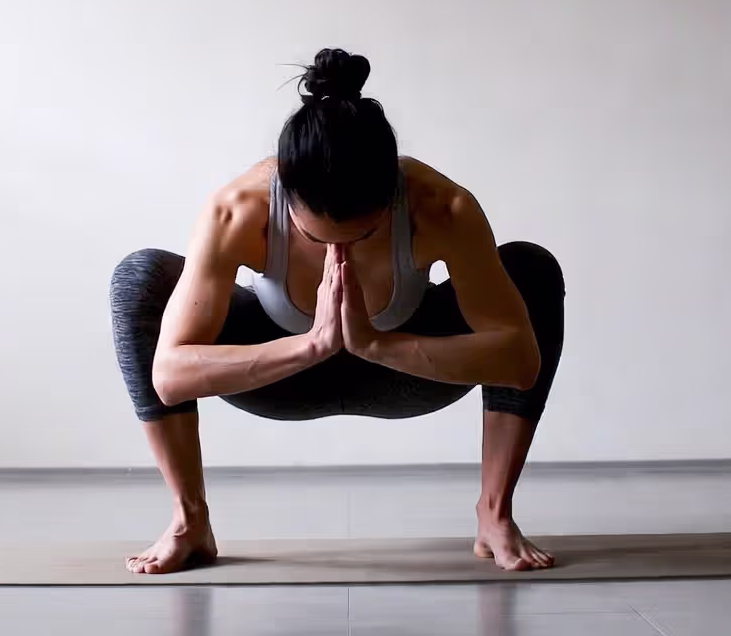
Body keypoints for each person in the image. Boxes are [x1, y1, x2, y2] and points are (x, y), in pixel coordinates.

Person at [110, 48, 565, 574]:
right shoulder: (238, 209)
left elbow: (521, 361)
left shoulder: (441, 207)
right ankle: (189, 521)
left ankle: (495, 514)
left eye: (363, 236)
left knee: (529, 268)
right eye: (315, 237)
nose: (339, 258)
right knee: (140, 277)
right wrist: (309, 345)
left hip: (409, 373)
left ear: (392, 193)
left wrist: (376, 343)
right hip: (281, 380)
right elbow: (168, 377)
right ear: (285, 190)